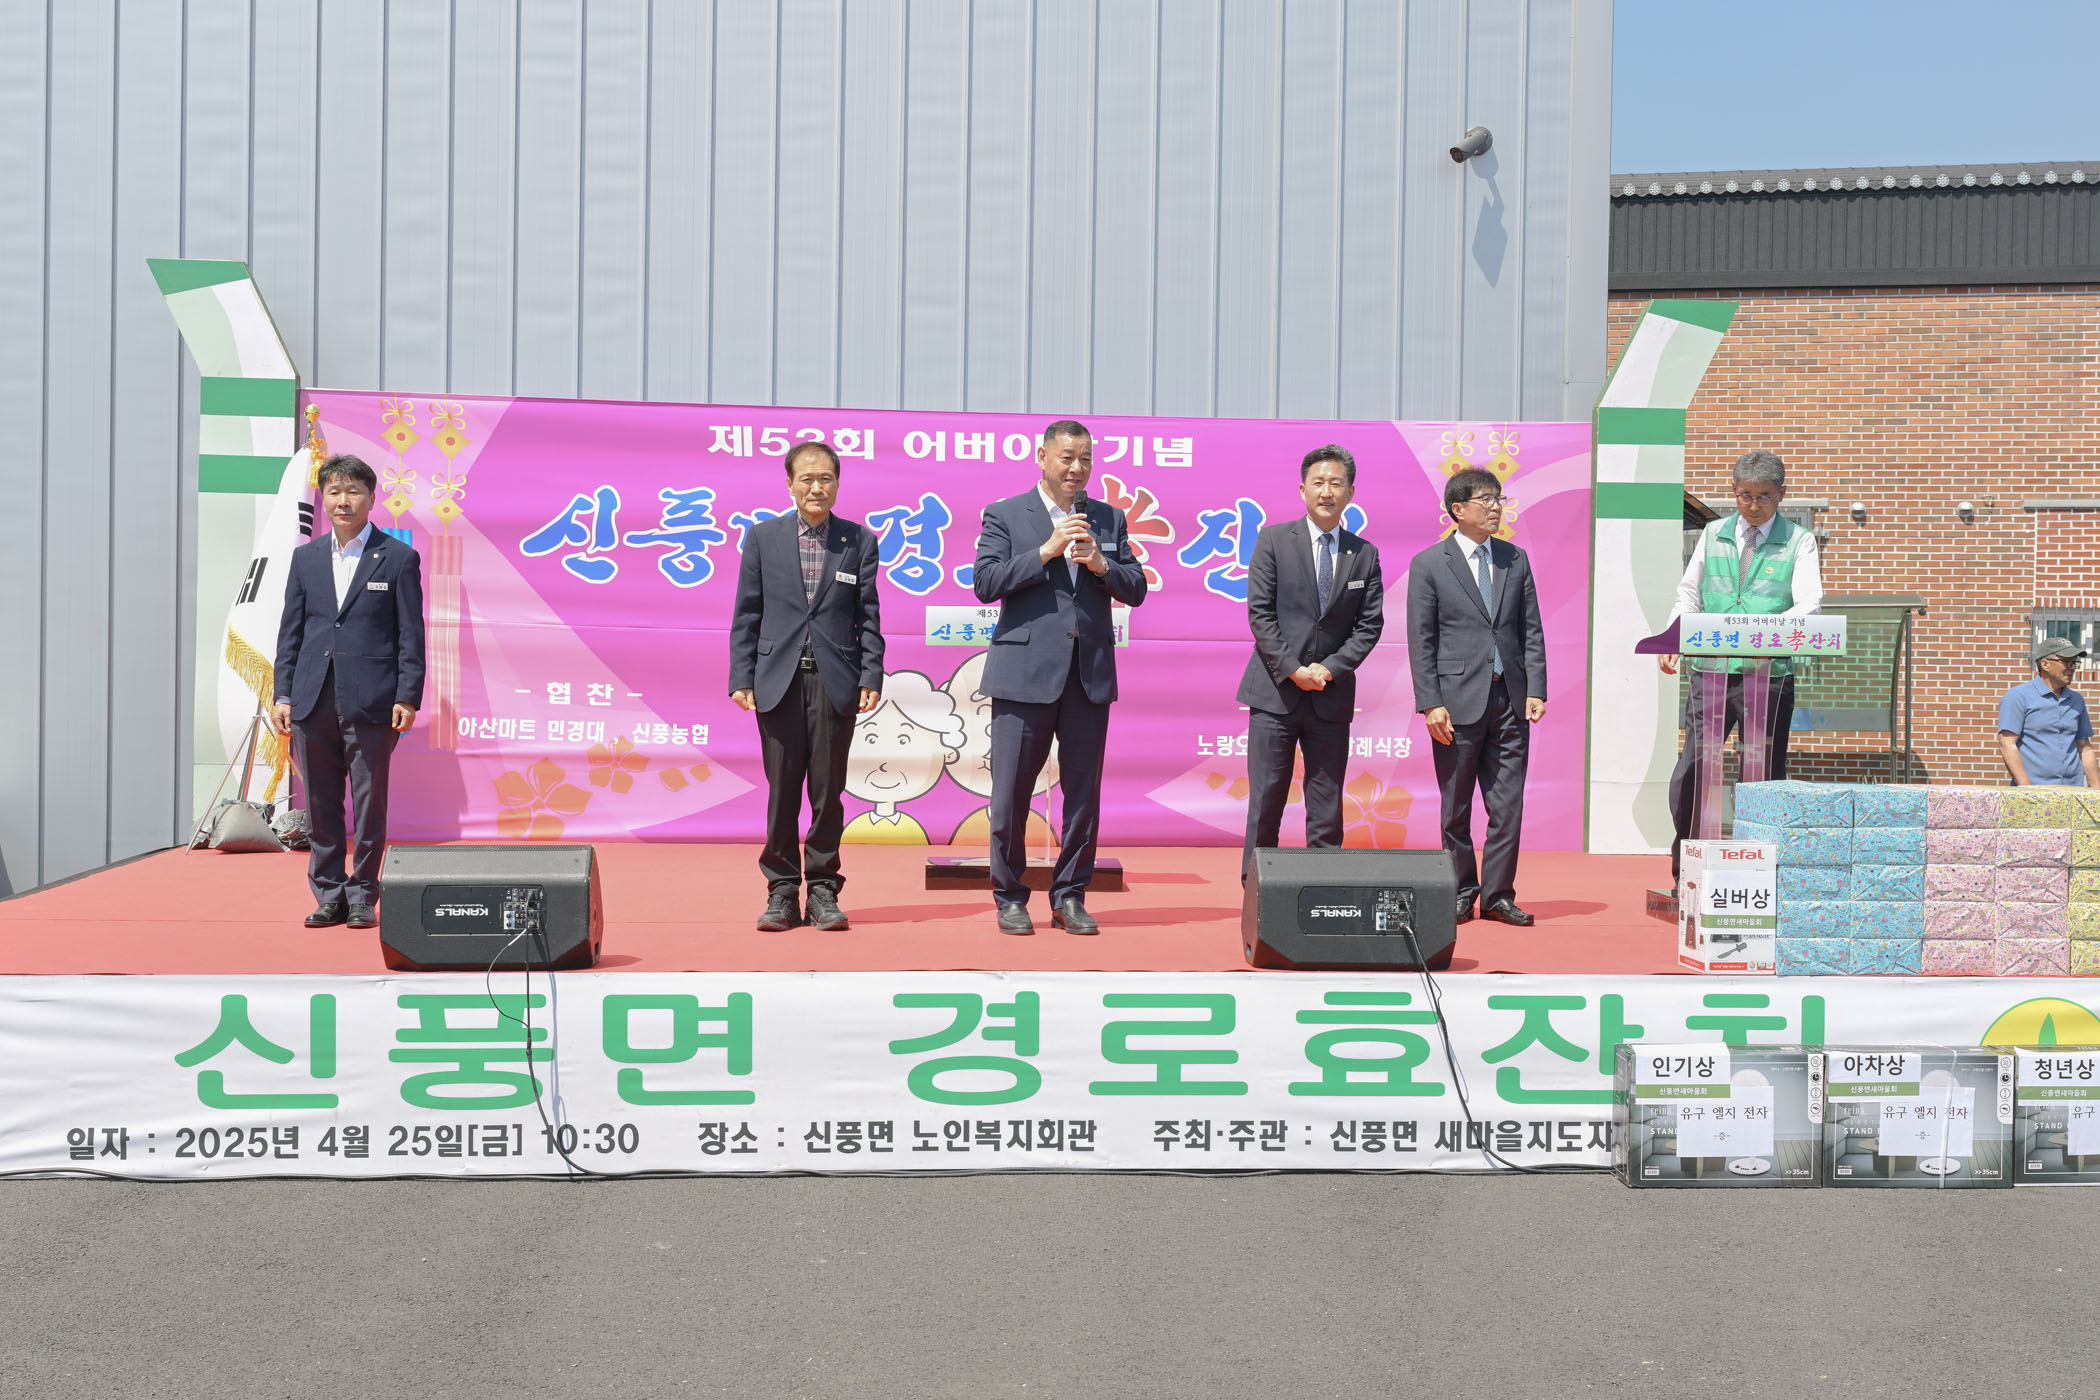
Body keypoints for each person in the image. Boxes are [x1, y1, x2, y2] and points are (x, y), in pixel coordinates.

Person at [974, 419, 1148, 935]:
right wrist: (1046, 551)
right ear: (1043, 457)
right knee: (1010, 794)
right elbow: (985, 582)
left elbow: (1135, 587)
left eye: (1085, 458)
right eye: (1067, 457)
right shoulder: (1006, 514)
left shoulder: (1108, 518)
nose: (1077, 468)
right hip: (1023, 675)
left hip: (1087, 675)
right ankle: (1010, 896)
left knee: (1082, 796)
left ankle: (1070, 895)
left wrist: (1101, 565)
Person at [729, 441, 884, 932]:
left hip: (835, 682)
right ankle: (780, 892)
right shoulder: (763, 538)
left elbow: (869, 617)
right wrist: (741, 676)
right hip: (777, 682)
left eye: (826, 479)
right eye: (807, 479)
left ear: (837, 483)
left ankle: (821, 889)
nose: (817, 487)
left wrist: (871, 674)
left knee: (827, 791)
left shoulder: (858, 541)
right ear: (790, 484)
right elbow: (747, 613)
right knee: (782, 793)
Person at [271, 455, 426, 930]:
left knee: (368, 802)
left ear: (371, 498)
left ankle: (362, 895)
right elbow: (291, 631)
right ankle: (329, 894)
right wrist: (282, 693)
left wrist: (407, 695)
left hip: (373, 701)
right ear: (324, 499)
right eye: (334, 492)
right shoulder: (306, 558)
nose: (343, 501)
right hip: (312, 697)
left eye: (353, 491)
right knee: (319, 804)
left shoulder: (397, 557)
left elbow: (410, 634)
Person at [1660, 449, 1823, 875]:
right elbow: (1689, 593)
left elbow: (1809, 604)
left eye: (1764, 496)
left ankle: (1758, 871)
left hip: (1768, 675)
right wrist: (1674, 635)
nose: (1753, 505)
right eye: (1745, 495)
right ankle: (1688, 870)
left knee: (1762, 774)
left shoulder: (1799, 540)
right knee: (1694, 769)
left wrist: (1758, 634)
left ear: (1781, 494)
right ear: (1734, 491)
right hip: (1710, 672)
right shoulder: (1713, 533)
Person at [1406, 467, 1547, 926]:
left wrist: (1536, 688)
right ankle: (1462, 890)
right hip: (1455, 702)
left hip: (1510, 700)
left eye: (1498, 499)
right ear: (1458, 509)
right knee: (1456, 806)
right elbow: (1421, 640)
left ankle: (1498, 895)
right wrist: (1431, 703)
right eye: (1485, 500)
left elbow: (1530, 630)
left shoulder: (1514, 559)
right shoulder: (1430, 563)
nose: (1495, 507)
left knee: (1508, 805)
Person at [1237, 445, 1384, 875]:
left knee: (1326, 804)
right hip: (1275, 694)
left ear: (1350, 492)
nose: (1326, 492)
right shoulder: (1274, 541)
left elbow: (1369, 626)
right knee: (1267, 799)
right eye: (1318, 483)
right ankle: (1256, 892)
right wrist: (1293, 669)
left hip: (1330, 696)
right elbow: (1260, 614)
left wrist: (1330, 668)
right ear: (1302, 490)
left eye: (1336, 483)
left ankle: (1325, 886)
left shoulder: (1364, 554)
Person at [1997, 637, 2099, 787]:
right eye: (2066, 662)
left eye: (2074, 663)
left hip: (2072, 790)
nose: (2072, 667)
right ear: (2045, 664)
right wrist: (2027, 788)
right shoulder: (2018, 696)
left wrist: (2096, 790)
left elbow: (2084, 747)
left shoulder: (2077, 700)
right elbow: (2007, 744)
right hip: (2034, 790)